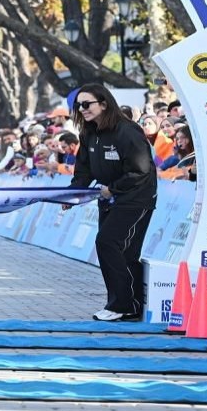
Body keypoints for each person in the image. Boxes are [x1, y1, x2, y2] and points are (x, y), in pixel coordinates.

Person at [69, 83, 157, 322]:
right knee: (123, 252)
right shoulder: (88, 133)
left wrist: (113, 189)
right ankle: (128, 305)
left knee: (108, 243)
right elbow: (83, 171)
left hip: (135, 199)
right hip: (109, 199)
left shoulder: (127, 131)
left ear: (104, 103)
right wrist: (71, 196)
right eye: (79, 106)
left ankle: (122, 304)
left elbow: (141, 170)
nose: (82, 109)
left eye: (87, 104)